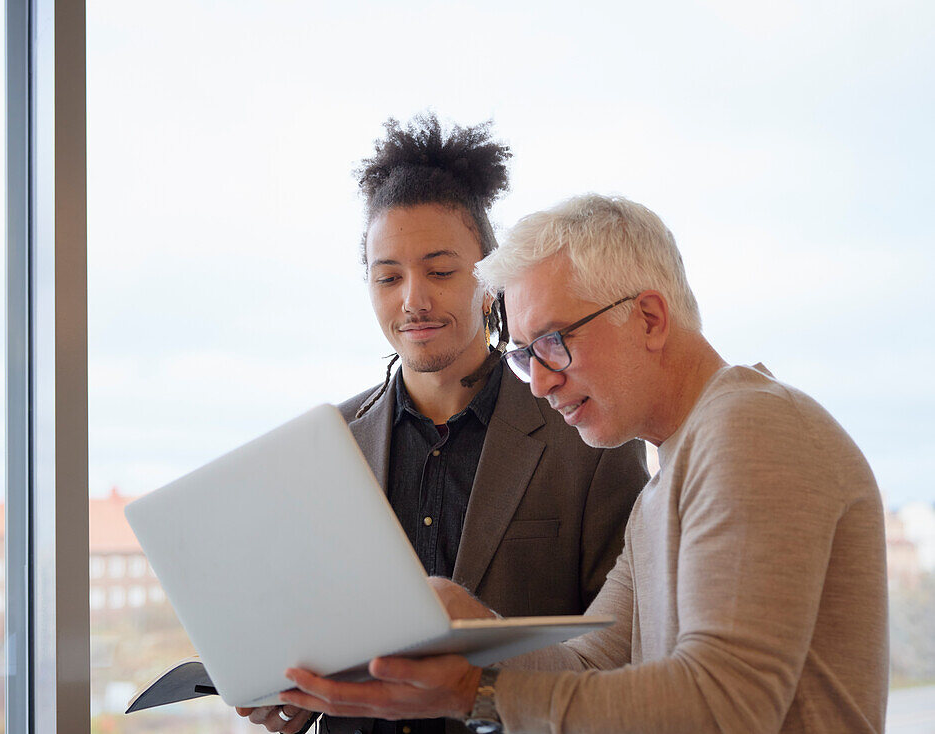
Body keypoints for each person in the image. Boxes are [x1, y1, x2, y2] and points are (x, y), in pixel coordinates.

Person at [279, 194, 890, 733]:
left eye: (553, 342)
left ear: (649, 318)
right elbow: (590, 662)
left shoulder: (750, 429)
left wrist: (478, 690)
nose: (539, 383)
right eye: (523, 354)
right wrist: (474, 630)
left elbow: (723, 707)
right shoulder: (667, 480)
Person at [238, 120, 649, 734]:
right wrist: (296, 696)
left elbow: (626, 657)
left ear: (490, 280)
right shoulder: (328, 447)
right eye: (388, 277)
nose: (413, 299)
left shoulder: (585, 430)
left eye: (439, 270)